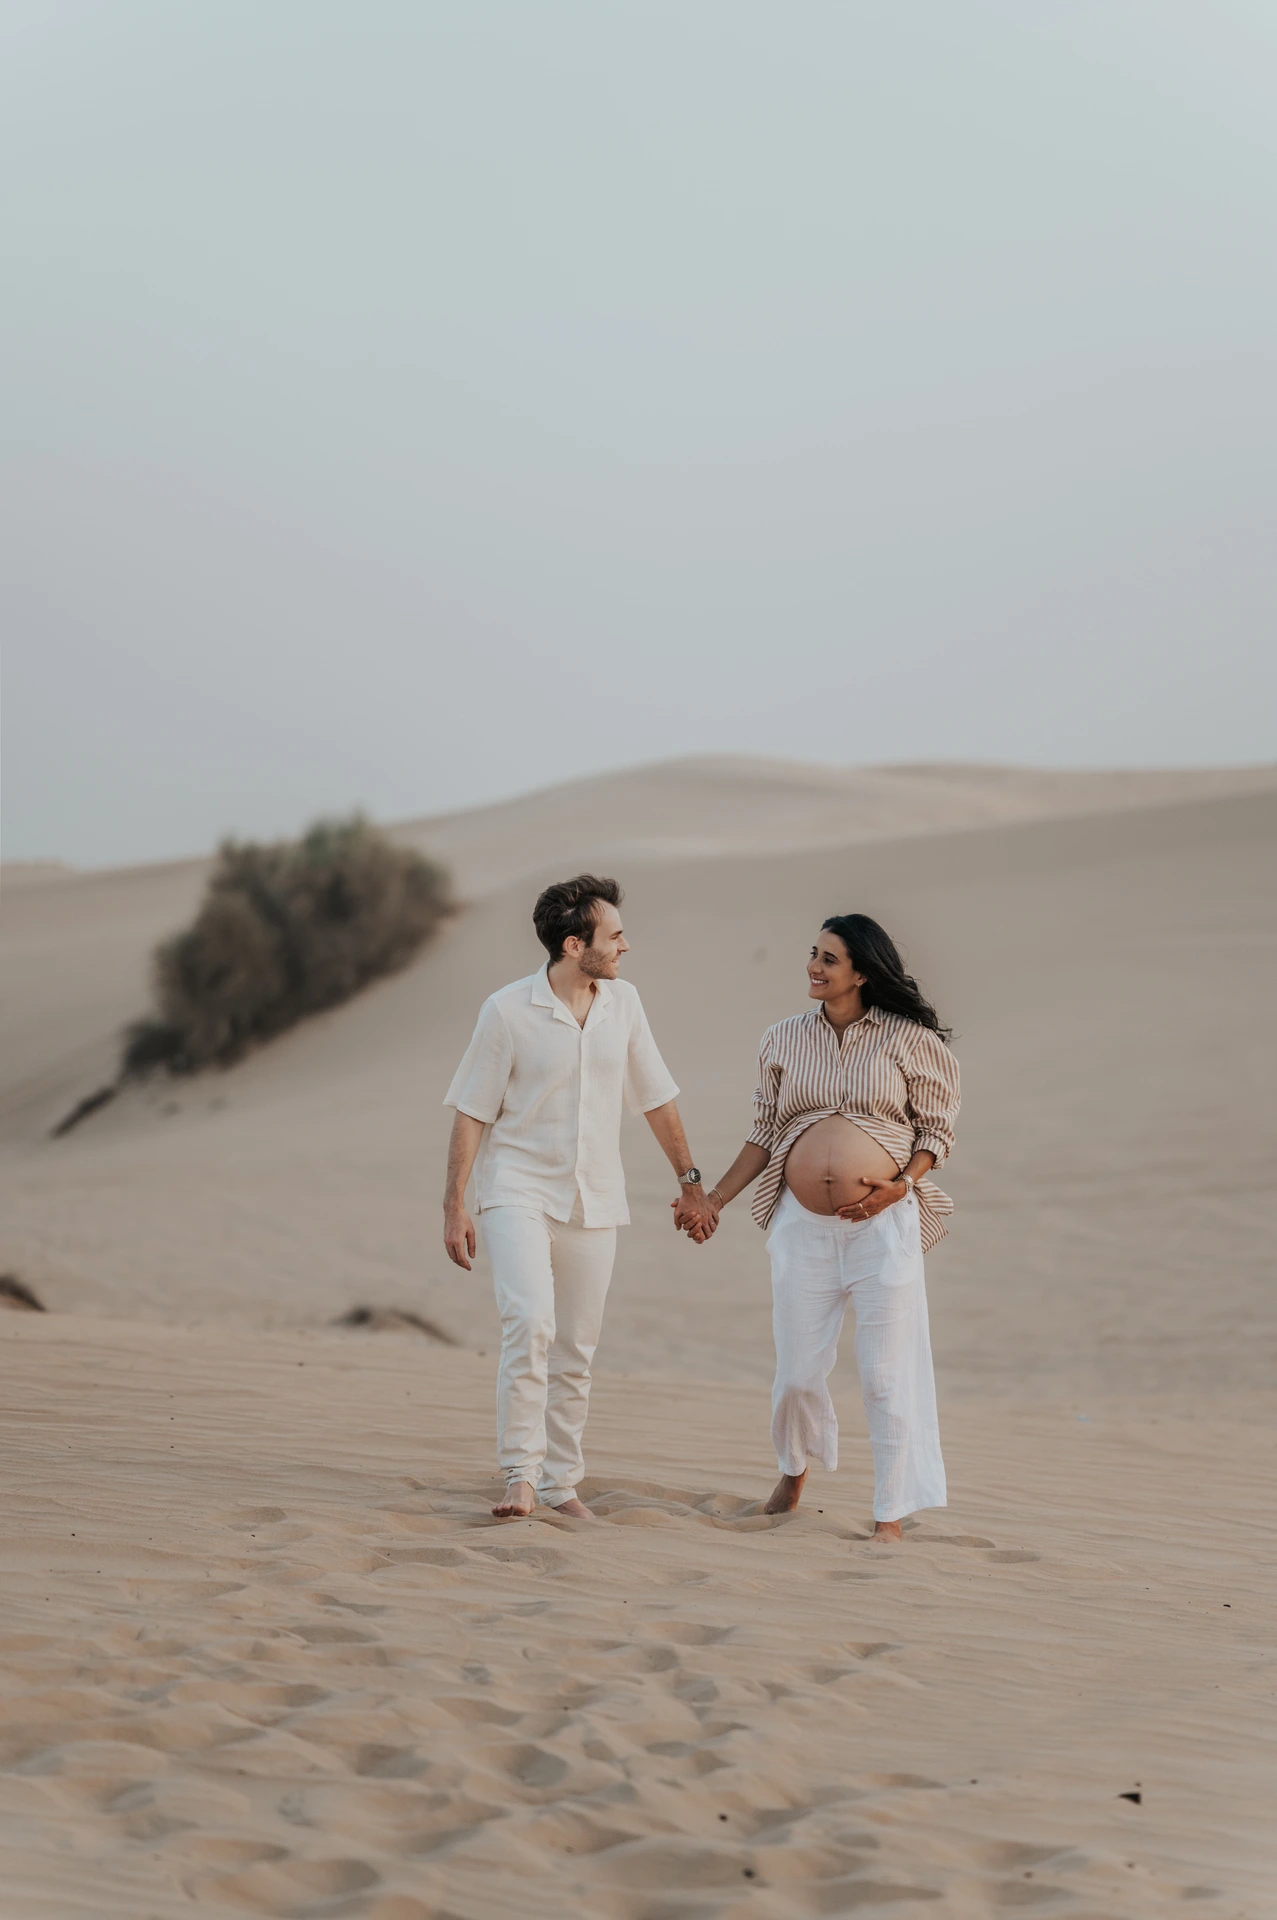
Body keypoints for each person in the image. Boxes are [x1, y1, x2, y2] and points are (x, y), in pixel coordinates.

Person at [443, 875, 716, 1520]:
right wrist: (454, 1203)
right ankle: (520, 1474)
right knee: (530, 1322)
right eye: (614, 935)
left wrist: (691, 1180)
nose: (627, 946)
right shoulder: (506, 1011)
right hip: (516, 1188)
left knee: (576, 1347)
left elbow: (656, 1096)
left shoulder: (624, 1005)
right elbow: (471, 1111)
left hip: (596, 1197)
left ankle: (562, 1484)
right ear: (574, 944)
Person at [683, 914, 960, 1541]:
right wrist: (717, 1201)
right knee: (798, 1371)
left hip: (882, 1227)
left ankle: (889, 1512)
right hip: (801, 1227)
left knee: (887, 1374)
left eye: (829, 958)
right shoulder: (781, 1039)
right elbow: (763, 1134)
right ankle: (794, 1467)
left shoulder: (911, 1042)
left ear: (862, 971)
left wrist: (902, 1185)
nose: (814, 965)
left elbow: (936, 1134)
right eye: (814, 953)